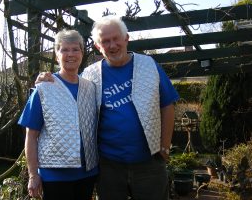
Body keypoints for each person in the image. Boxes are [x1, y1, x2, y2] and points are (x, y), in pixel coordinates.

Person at [36, 16, 179, 200]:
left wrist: (165, 147)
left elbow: (167, 105)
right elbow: (68, 86)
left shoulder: (149, 66)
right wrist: (47, 79)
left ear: (126, 38)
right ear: (98, 46)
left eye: (115, 38)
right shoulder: (90, 74)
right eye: (105, 41)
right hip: (109, 166)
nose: (112, 45)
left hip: (149, 163)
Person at [18, 29, 98, 200]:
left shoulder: (91, 88)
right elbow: (31, 136)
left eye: (75, 49)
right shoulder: (44, 89)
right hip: (55, 176)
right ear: (57, 55)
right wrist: (33, 175)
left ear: (82, 54)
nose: (70, 54)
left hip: (87, 174)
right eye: (64, 49)